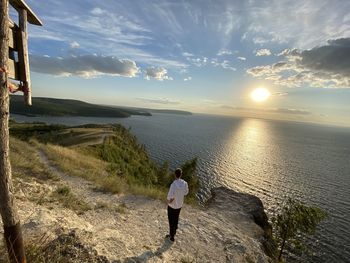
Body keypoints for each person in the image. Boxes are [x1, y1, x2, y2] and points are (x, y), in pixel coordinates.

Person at [166, 168, 189, 242]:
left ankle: (171, 235)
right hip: (179, 205)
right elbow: (186, 193)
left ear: (175, 175)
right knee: (176, 219)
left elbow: (170, 197)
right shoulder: (185, 183)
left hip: (172, 206)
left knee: (171, 220)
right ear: (181, 174)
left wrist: (169, 202)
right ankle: (174, 231)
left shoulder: (173, 185)